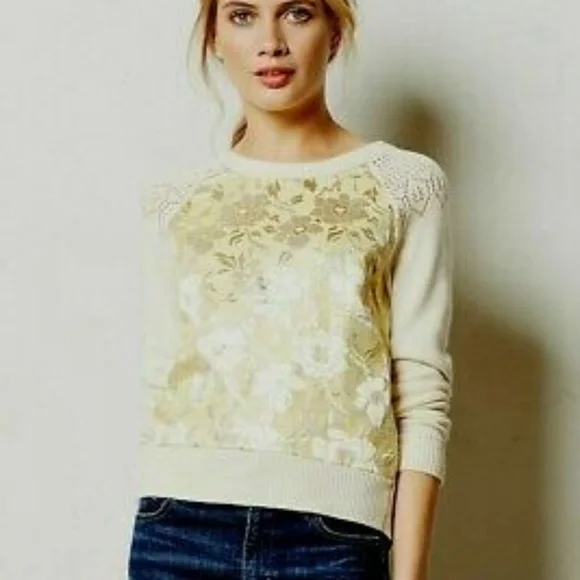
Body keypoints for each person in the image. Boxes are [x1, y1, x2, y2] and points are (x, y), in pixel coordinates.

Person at [127, 1, 454, 579]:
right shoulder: (177, 202)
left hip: (333, 540)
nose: (271, 41)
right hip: (177, 529)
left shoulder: (404, 185)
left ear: (335, 32)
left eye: (297, 13)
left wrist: (410, 573)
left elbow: (421, 396)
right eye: (243, 15)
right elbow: (162, 376)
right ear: (214, 38)